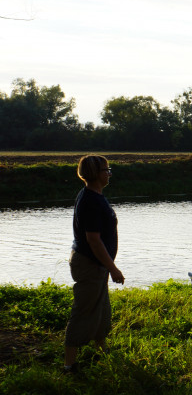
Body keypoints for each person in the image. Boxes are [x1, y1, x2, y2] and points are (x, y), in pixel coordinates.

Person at [65, 155, 123, 374]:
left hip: (96, 264)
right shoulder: (91, 200)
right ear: (95, 174)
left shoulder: (94, 195)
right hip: (89, 264)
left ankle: (102, 352)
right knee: (84, 310)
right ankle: (69, 365)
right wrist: (113, 268)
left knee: (101, 309)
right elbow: (93, 240)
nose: (109, 173)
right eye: (106, 170)